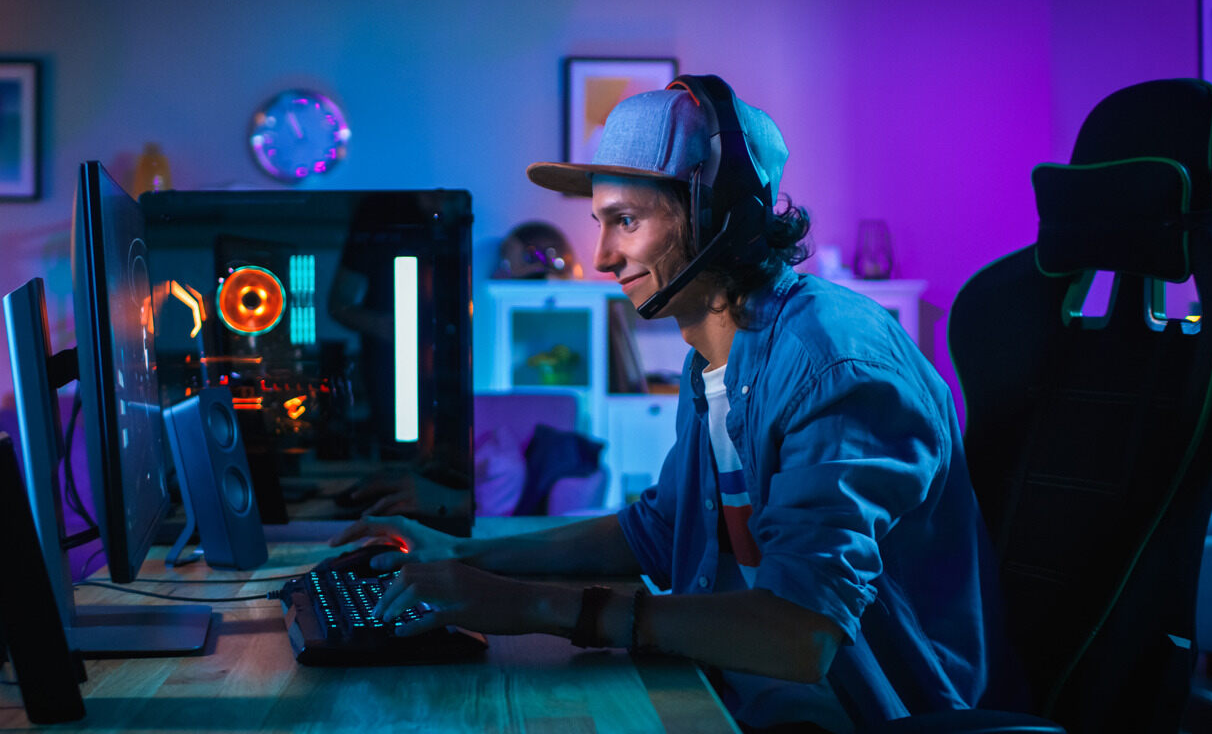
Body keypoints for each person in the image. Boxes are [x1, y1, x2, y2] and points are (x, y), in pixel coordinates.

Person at [331, 76, 1009, 732]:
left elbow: (801, 634)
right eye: (600, 223)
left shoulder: (832, 364)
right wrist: (465, 555)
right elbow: (653, 532)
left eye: (624, 220)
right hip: (735, 699)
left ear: (717, 215)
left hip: (861, 717)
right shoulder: (716, 359)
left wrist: (532, 606)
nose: (601, 256)